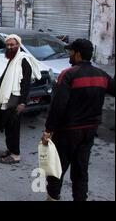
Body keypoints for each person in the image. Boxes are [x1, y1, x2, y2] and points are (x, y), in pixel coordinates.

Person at [41, 39, 115, 201]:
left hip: (67, 132)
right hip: (89, 131)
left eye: (71, 52)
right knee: (81, 171)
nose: (69, 55)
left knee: (57, 169)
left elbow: (58, 106)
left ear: (78, 54)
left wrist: (48, 130)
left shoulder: (68, 74)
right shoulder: (102, 75)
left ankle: (52, 197)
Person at [0, 34, 41, 164]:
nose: (9, 47)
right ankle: (10, 150)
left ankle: (15, 155)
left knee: (13, 127)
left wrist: (22, 103)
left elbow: (25, 84)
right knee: (8, 127)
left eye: (12, 45)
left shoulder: (23, 60)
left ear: (18, 45)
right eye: (7, 45)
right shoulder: (13, 59)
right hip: (9, 98)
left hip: (16, 99)